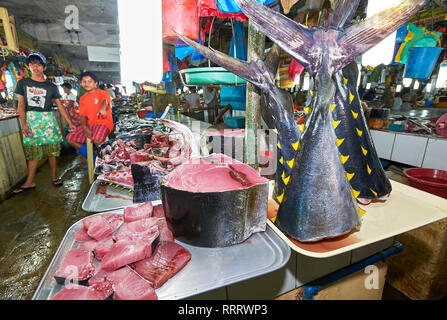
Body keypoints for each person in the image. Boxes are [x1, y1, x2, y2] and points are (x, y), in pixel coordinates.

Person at [13, 52, 75, 194]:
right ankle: (30, 181)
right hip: (31, 120)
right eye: (32, 64)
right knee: (32, 151)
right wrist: (24, 124)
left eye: (39, 64)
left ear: (44, 67)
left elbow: (60, 106)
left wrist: (70, 123)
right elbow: (21, 105)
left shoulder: (51, 86)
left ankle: (54, 176)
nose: (36, 67)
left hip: (48, 120)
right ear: (28, 67)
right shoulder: (23, 83)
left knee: (52, 151)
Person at [66, 71, 113, 149]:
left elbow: (105, 101)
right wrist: (84, 127)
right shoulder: (82, 98)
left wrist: (102, 108)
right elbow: (82, 116)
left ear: (96, 83)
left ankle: (104, 159)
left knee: (97, 140)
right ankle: (94, 157)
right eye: (84, 81)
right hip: (89, 124)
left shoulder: (103, 93)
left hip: (104, 123)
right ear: (81, 83)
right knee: (70, 138)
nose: (86, 83)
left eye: (89, 81)